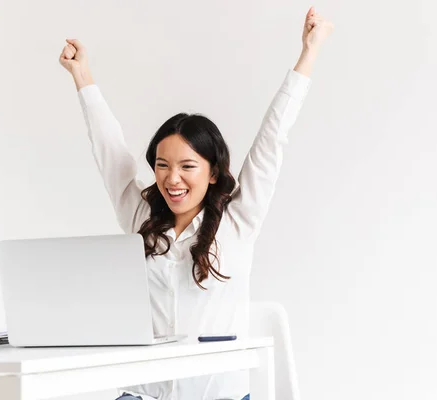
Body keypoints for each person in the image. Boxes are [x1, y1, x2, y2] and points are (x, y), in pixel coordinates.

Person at [59, 6, 333, 400]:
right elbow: (109, 149)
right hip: (142, 396)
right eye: (162, 165)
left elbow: (273, 138)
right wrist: (82, 76)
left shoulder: (238, 220)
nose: (172, 178)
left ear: (214, 172)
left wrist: (308, 53)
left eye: (188, 166)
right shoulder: (140, 217)